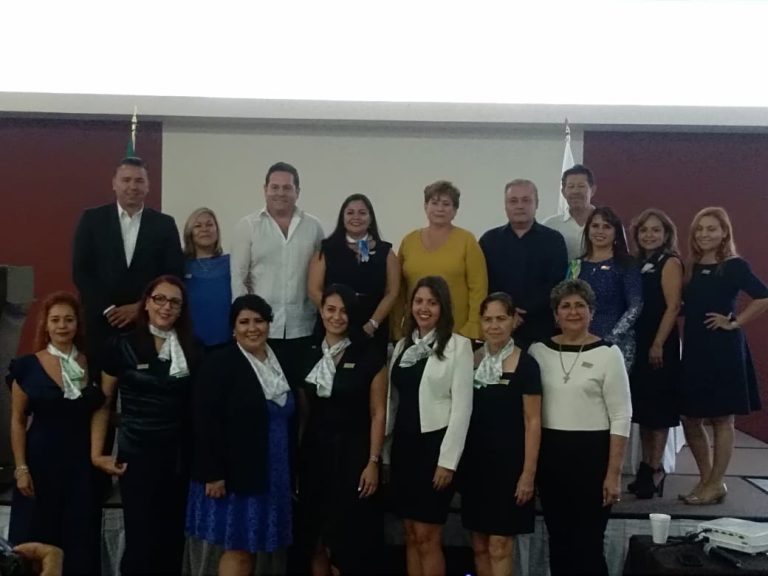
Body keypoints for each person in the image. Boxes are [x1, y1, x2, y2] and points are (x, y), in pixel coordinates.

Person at [91, 275, 201, 575]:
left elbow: (199, 409)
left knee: (172, 541)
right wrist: (98, 454)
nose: (166, 307)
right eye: (159, 299)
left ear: (182, 309)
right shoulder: (120, 345)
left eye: (174, 302)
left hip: (178, 457)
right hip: (137, 456)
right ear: (146, 304)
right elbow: (104, 403)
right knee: (141, 541)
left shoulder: (193, 348)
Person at [529, 279, 631, 576]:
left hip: (593, 459)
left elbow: (621, 415)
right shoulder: (538, 351)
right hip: (551, 459)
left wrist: (613, 474)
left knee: (588, 544)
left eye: (580, 306)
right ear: (555, 314)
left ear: (592, 312)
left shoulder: (609, 354)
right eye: (565, 306)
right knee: (559, 541)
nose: (572, 312)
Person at [186, 294, 294, 576]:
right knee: (239, 550)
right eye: (244, 322)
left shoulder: (280, 360)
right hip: (234, 476)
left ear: (269, 324)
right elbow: (205, 421)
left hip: (271, 472)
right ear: (233, 328)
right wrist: (213, 473)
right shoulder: (219, 363)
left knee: (254, 549)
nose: (252, 328)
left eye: (259, 320)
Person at [7, 292, 102, 575]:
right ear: (46, 325)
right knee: (35, 536)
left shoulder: (93, 364)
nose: (62, 326)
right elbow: (17, 421)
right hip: (39, 463)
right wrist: (21, 468)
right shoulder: (26, 366)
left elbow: (101, 411)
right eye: (56, 320)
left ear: (77, 325)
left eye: (68, 320)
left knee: (80, 538)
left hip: (80, 465)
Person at [678, 207, 768, 505]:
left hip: (724, 349)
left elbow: (763, 296)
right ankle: (708, 480)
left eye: (711, 228)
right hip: (694, 349)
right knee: (690, 418)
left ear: (724, 233)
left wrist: (735, 322)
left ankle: (716, 482)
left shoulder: (734, 265)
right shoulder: (691, 266)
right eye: (700, 228)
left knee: (722, 418)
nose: (704, 234)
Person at [387, 275, 474, 576]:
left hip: (434, 449)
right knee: (411, 533)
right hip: (404, 447)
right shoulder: (402, 346)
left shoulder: (458, 346)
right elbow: (393, 402)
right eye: (419, 301)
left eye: (432, 303)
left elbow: (462, 408)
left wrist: (447, 462)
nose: (424, 308)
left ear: (443, 308)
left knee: (428, 535)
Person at [298, 284, 387, 575]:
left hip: (353, 454)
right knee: (314, 536)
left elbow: (378, 412)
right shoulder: (308, 352)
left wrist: (373, 461)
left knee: (348, 539)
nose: (336, 317)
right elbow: (303, 411)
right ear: (321, 311)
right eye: (330, 309)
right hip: (315, 454)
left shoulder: (369, 355)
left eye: (344, 311)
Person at [72, 156, 185, 377]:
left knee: (143, 383)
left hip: (147, 322)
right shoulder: (92, 219)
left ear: (148, 186)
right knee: (99, 387)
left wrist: (140, 307)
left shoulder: (164, 224)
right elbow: (81, 271)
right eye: (126, 180)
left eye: (139, 181)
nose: (132, 186)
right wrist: (108, 309)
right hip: (101, 323)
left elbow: (173, 274)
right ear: (114, 183)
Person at [460, 292, 541, 576]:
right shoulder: (470, 360)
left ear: (513, 321)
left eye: (501, 319)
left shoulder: (526, 364)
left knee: (499, 545)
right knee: (480, 545)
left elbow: (533, 421)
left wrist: (528, 474)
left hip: (509, 468)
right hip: (475, 465)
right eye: (488, 319)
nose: (494, 326)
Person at [231, 161, 324, 392]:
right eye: (275, 187)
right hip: (261, 330)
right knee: (260, 393)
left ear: (297, 191)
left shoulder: (313, 227)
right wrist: (243, 323)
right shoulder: (247, 226)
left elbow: (321, 275)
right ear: (265, 189)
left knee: (301, 393)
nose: (280, 193)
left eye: (287, 187)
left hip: (303, 328)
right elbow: (238, 278)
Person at [627, 209, 683, 499]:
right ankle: (646, 466)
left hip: (660, 344)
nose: (649, 235)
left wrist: (658, 343)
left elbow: (673, 306)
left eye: (656, 230)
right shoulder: (638, 262)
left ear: (666, 234)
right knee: (645, 410)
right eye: (644, 230)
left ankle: (656, 467)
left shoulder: (669, 262)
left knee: (658, 411)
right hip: (640, 342)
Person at [479, 179, 568, 348]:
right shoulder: (489, 241)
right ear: (505, 205)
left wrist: (522, 311)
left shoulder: (554, 240)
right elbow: (483, 283)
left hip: (541, 326)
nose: (520, 206)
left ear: (537, 204)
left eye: (526, 200)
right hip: (498, 326)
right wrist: (507, 311)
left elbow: (558, 284)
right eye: (513, 201)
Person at [394, 181, 487, 340]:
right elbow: (399, 290)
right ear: (425, 206)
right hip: (415, 332)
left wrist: (472, 328)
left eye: (446, 204)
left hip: (457, 333)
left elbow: (479, 288)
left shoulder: (467, 240)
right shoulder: (408, 241)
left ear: (455, 210)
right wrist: (396, 327)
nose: (440, 209)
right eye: (434, 203)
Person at [307, 194, 400, 353]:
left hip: (372, 327)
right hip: (333, 326)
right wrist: (333, 316)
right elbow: (314, 290)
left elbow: (392, 292)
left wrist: (373, 324)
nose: (356, 217)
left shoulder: (386, 252)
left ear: (370, 218)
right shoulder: (326, 249)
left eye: (362, 213)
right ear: (342, 218)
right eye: (350, 213)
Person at [567, 206, 642, 370]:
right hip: (578, 340)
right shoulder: (576, 265)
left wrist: (612, 337)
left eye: (606, 226)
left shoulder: (626, 264)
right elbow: (565, 301)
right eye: (595, 226)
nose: (600, 231)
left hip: (615, 345)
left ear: (616, 232)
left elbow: (635, 306)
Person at [182, 207, 232, 348]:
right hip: (190, 343)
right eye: (198, 226)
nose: (205, 229)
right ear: (189, 232)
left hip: (227, 342)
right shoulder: (180, 265)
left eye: (209, 224)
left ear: (217, 230)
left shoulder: (232, 263)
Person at [543, 164, 597, 260]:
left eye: (581, 186)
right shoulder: (550, 225)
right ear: (563, 192)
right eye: (571, 186)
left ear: (592, 190)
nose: (576, 191)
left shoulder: (608, 223)